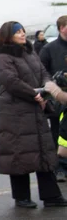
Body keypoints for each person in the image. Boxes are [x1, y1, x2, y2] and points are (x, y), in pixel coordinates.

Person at [0, 21, 67, 208]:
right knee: (19, 153)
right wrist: (35, 94)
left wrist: (45, 90)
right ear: (8, 35)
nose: (22, 34)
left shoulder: (30, 51)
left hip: (35, 108)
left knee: (44, 151)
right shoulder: (4, 56)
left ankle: (51, 196)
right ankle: (21, 197)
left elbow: (43, 72)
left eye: (23, 31)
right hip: (14, 111)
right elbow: (10, 81)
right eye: (18, 32)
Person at [39, 16, 67, 148]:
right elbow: (41, 74)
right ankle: (58, 165)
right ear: (61, 28)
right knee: (58, 134)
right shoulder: (48, 49)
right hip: (58, 100)